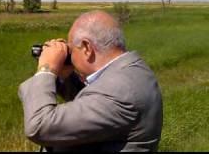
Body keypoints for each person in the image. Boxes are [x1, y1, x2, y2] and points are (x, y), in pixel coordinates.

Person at [18, 10, 163, 152]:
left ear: (87, 47)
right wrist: (65, 76)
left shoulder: (120, 93)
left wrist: (46, 69)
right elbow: (92, 104)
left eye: (72, 51)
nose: (71, 57)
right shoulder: (131, 71)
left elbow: (40, 126)